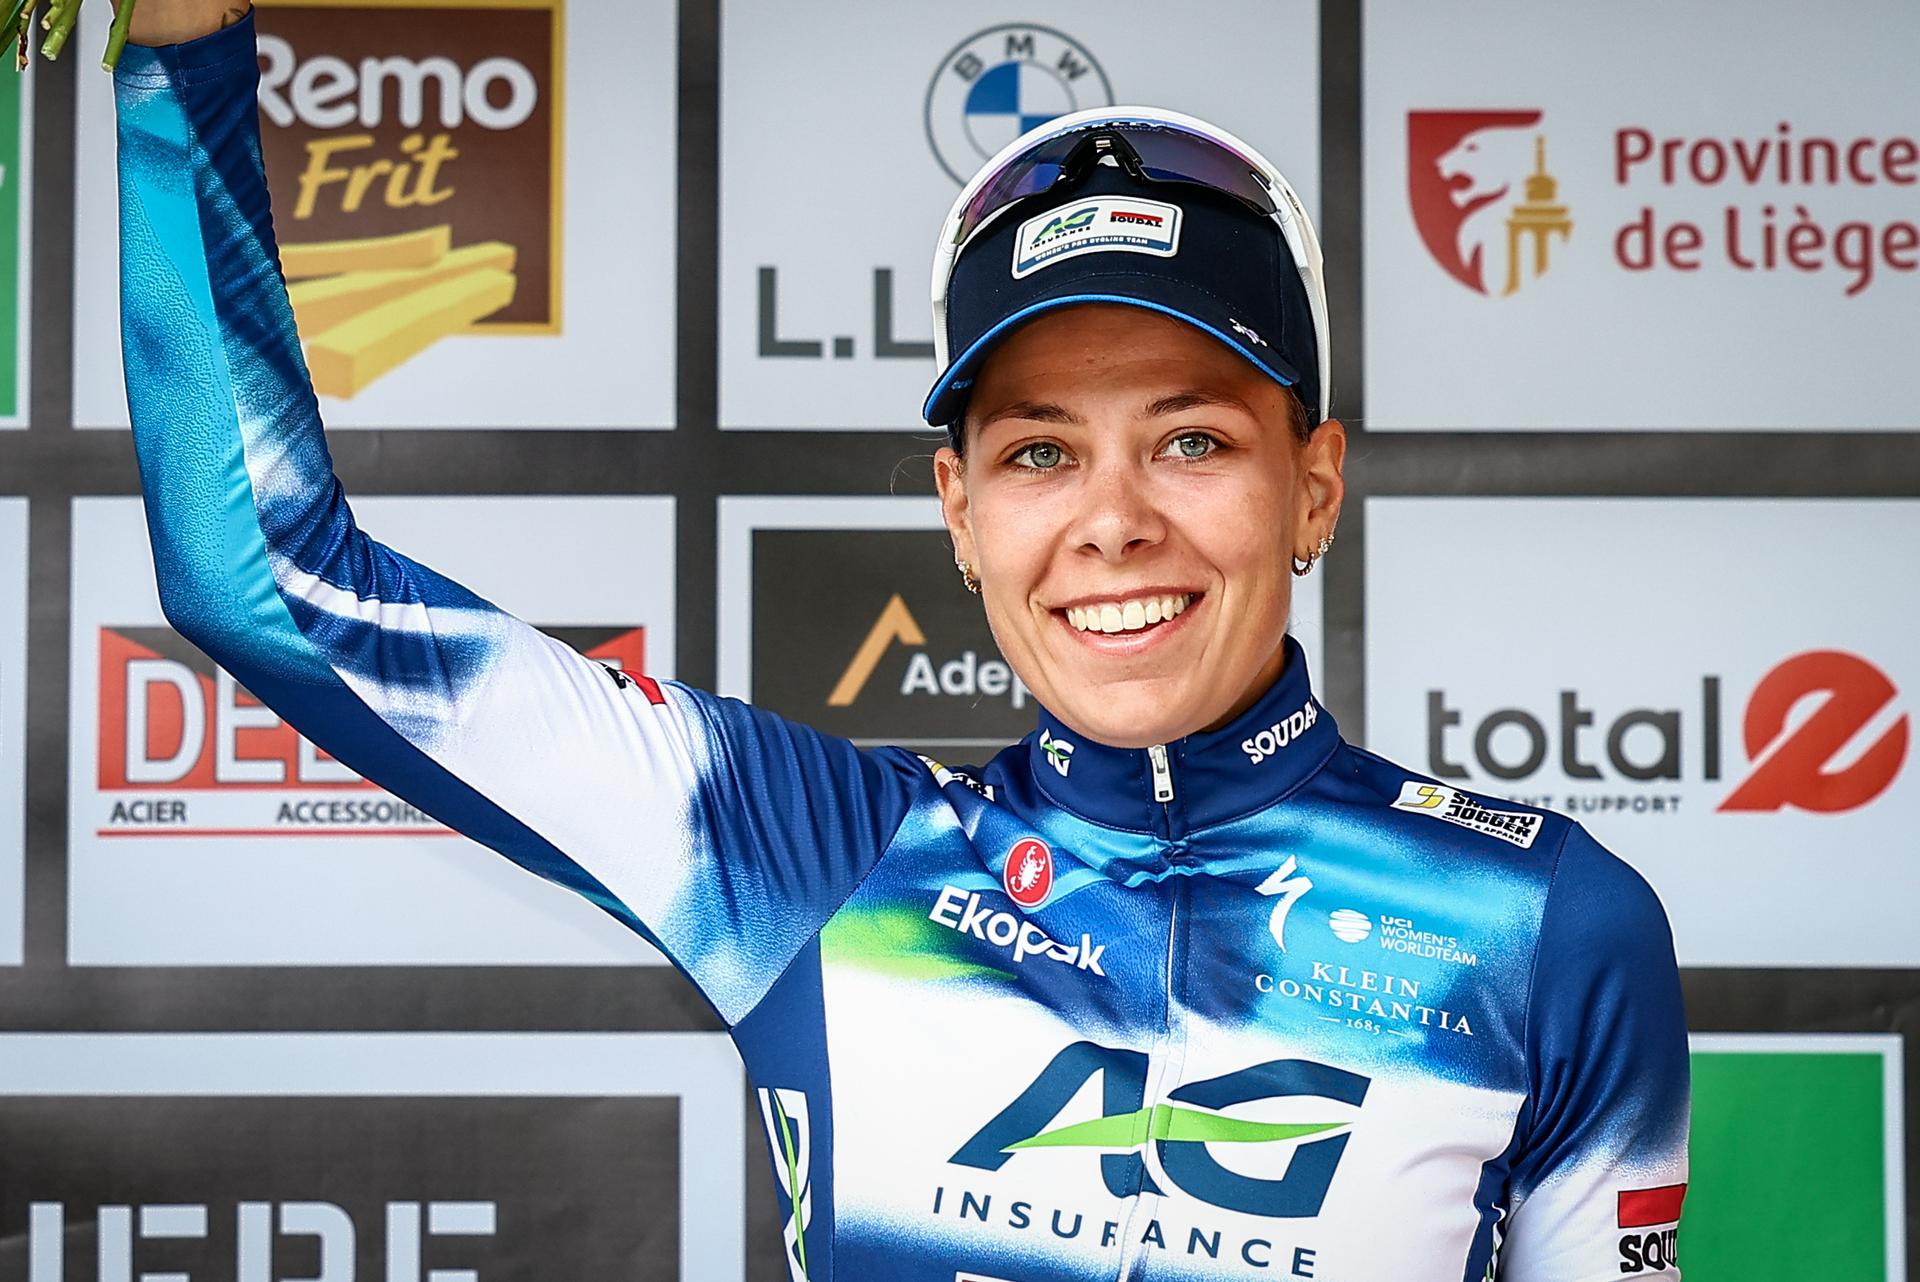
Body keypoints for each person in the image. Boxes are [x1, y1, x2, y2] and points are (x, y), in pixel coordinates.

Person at [112, 2, 1689, 1278]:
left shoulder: (1544, 921)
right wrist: (184, 45)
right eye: (1039, 451)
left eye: (1194, 440)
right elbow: (266, 578)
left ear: (1314, 484)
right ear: (958, 507)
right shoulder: (813, 856)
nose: (1114, 520)